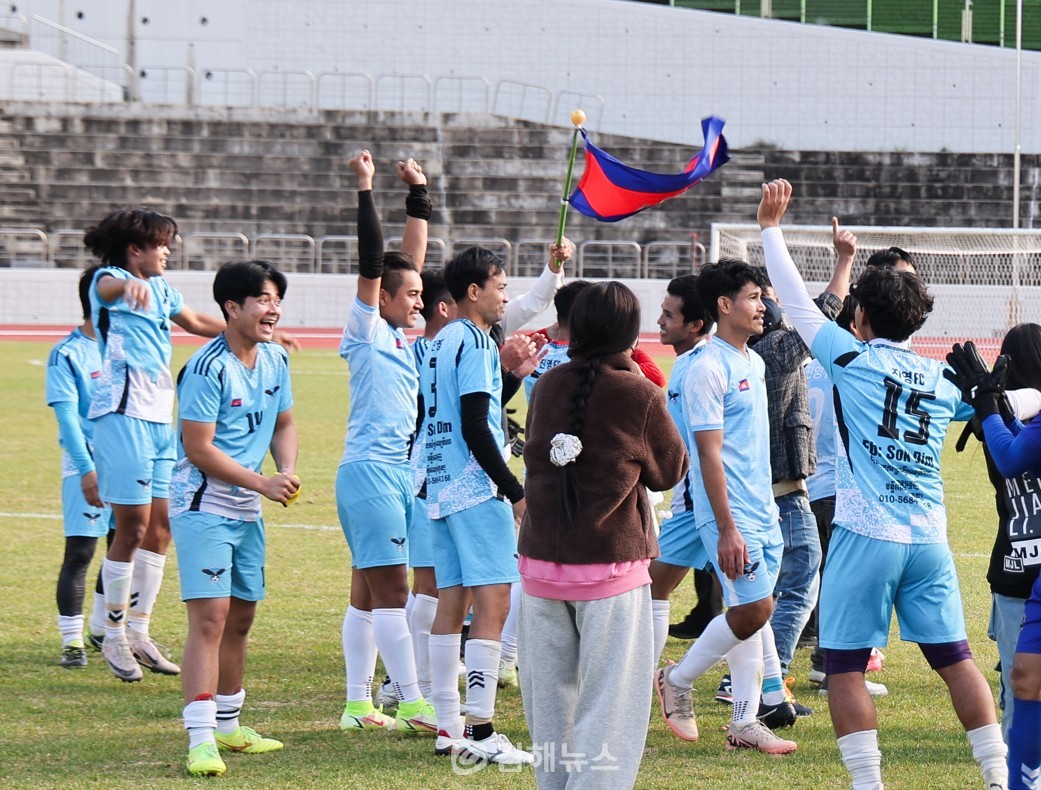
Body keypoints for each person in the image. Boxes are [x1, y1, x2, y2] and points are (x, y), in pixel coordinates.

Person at [759, 178, 1008, 790]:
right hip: (930, 540)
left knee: (842, 667)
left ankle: (868, 785)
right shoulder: (941, 379)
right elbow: (1007, 403)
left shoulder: (851, 357)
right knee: (957, 661)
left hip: (867, 534)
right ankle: (1000, 779)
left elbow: (794, 305)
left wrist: (770, 229)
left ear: (861, 316)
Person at [518, 281, 687, 789]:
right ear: (629, 335)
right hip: (610, 571)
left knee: (550, 711)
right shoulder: (638, 392)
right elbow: (670, 469)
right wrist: (635, 373)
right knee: (611, 706)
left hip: (541, 571)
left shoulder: (548, 386)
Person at [84, 207, 236, 682]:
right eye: (162, 243)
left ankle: (139, 631)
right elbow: (107, 289)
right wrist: (125, 286)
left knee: (162, 526)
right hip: (121, 415)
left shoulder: (164, 289)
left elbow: (192, 320)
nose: (168, 250)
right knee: (131, 527)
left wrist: (249, 331)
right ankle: (110, 633)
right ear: (136, 249)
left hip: (158, 420)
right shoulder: (108, 279)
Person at [654, 259, 797, 755]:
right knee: (756, 608)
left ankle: (744, 722)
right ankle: (677, 677)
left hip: (763, 510)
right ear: (724, 305)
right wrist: (727, 528)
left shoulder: (751, 361)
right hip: (729, 515)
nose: (763, 306)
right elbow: (707, 454)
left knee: (749, 612)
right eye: (754, 297)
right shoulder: (705, 368)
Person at [169, 259, 299, 777]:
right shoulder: (207, 367)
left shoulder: (274, 360)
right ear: (232, 307)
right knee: (210, 620)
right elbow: (197, 449)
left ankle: (229, 725)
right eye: (264, 299)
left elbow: (284, 422)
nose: (274, 309)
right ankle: (200, 739)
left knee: (241, 617)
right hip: (204, 505)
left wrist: (285, 469)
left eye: (276, 300)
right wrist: (262, 482)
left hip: (247, 506)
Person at [336, 150, 440, 735]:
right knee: (394, 592)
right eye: (411, 295)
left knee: (365, 593)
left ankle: (357, 704)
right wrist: (367, 187)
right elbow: (377, 261)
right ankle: (412, 700)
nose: (420, 301)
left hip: (399, 474)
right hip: (372, 473)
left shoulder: (404, 334)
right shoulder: (367, 327)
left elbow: (410, 260)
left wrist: (419, 193)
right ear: (382, 298)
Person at [421, 246, 533, 765]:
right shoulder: (476, 341)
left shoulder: (442, 341)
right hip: (473, 488)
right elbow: (476, 426)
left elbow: (458, 410)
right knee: (494, 605)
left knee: (453, 603)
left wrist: (509, 377)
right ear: (474, 291)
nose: (505, 295)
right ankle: (482, 731)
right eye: (501, 286)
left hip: (440, 485)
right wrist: (514, 490)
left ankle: (448, 726)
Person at [750, 217, 854, 691]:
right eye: (761, 296)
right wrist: (844, 260)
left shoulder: (739, 352)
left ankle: (752, 676)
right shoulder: (774, 350)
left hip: (759, 483)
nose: (768, 301)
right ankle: (768, 679)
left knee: (764, 584)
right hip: (783, 485)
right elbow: (826, 310)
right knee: (799, 580)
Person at [947, 334, 1041, 788]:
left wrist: (987, 405)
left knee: (1019, 695)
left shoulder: (998, 423)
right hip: (1019, 574)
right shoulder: (1007, 420)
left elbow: (1006, 457)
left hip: (1017, 568)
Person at [46, 266, 113, 669]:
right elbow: (68, 419)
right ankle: (71, 641)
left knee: (124, 545)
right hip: (85, 462)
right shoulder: (67, 352)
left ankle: (103, 628)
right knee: (81, 551)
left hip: (126, 459)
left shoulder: (124, 347)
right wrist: (87, 468)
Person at [649, 274, 714, 667]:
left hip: (698, 504)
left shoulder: (697, 368)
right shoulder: (698, 363)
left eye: (668, 315)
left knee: (652, 588)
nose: (659, 321)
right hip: (707, 501)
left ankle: (662, 678)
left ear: (695, 326)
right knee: (748, 605)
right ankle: (768, 694)